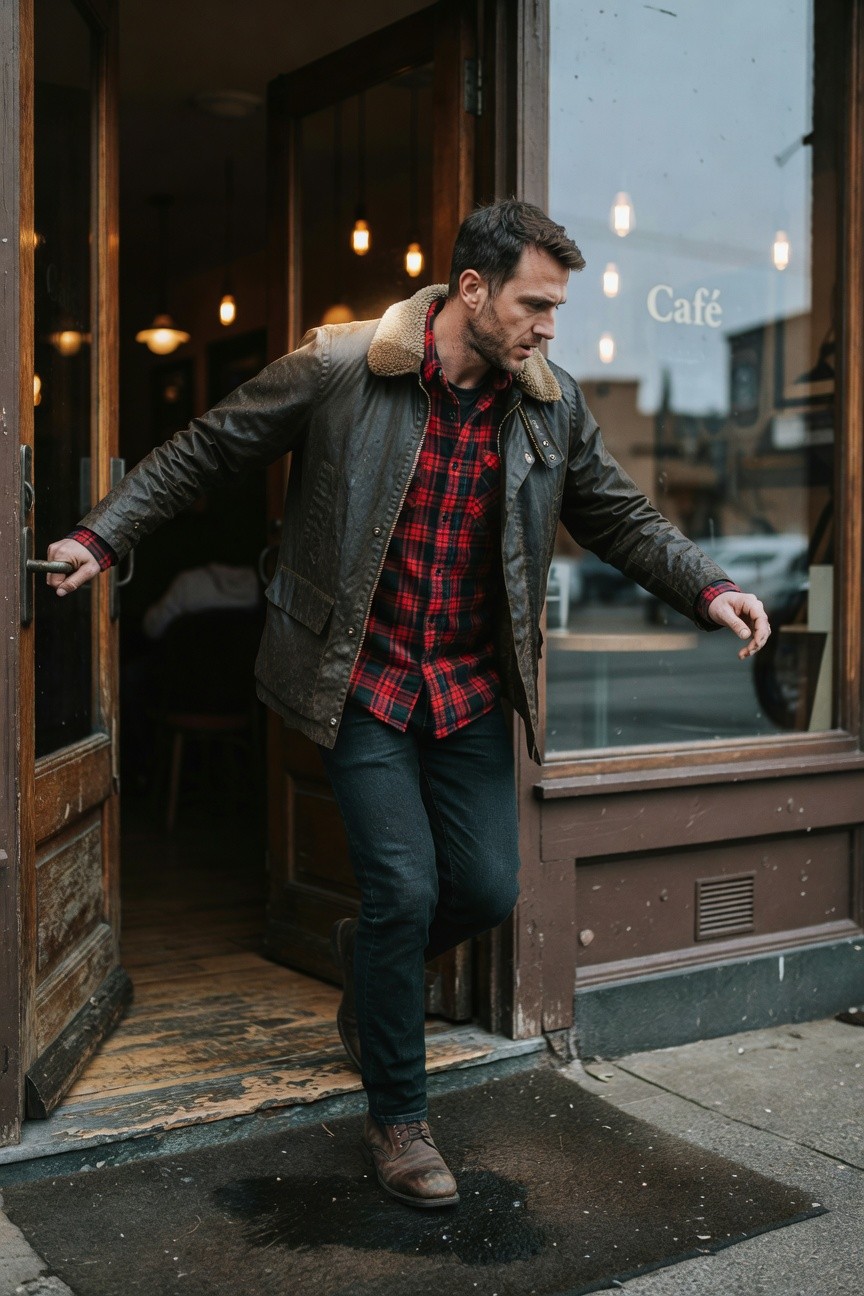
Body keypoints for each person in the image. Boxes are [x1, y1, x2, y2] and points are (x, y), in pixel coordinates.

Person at [47, 199, 770, 1210]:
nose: (548, 327)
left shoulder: (548, 406)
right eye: (535, 304)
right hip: (362, 679)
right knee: (403, 890)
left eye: (556, 308)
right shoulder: (344, 365)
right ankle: (398, 1118)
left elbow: (616, 512)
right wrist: (102, 533)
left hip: (470, 686)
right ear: (470, 291)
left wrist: (707, 584)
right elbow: (209, 449)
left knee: (481, 890)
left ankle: (369, 966)